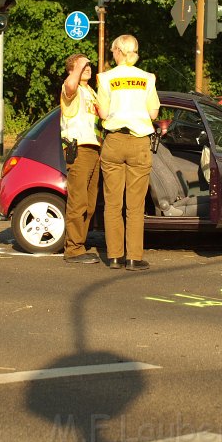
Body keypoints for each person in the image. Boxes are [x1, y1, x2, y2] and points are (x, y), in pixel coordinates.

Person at [96, 35, 160, 270]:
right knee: (135, 205)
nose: (112, 54)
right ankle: (133, 257)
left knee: (112, 204)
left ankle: (114, 256)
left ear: (119, 51)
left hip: (113, 141)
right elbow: (153, 114)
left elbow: (102, 114)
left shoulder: (105, 78)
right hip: (138, 143)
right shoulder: (147, 78)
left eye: (113, 50)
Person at [60, 53, 102, 264]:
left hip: (94, 148)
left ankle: (80, 243)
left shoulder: (90, 91)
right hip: (79, 148)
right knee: (78, 202)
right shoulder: (71, 87)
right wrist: (77, 68)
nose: (87, 66)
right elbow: (69, 87)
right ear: (72, 69)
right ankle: (73, 249)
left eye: (88, 63)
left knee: (90, 204)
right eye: (82, 64)